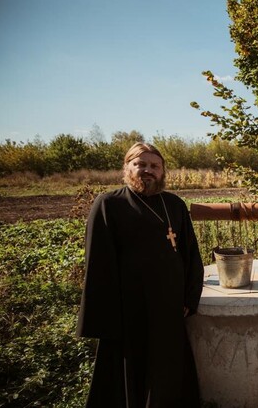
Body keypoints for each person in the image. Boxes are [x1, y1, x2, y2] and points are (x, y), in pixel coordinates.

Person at [77, 142, 204, 407]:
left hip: (169, 307)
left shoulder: (174, 204)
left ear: (162, 171)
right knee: (132, 376)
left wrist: (190, 299)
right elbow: (98, 263)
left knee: (169, 370)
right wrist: (109, 313)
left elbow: (190, 254)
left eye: (154, 166)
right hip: (129, 310)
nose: (148, 171)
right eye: (141, 164)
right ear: (127, 168)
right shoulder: (109, 204)